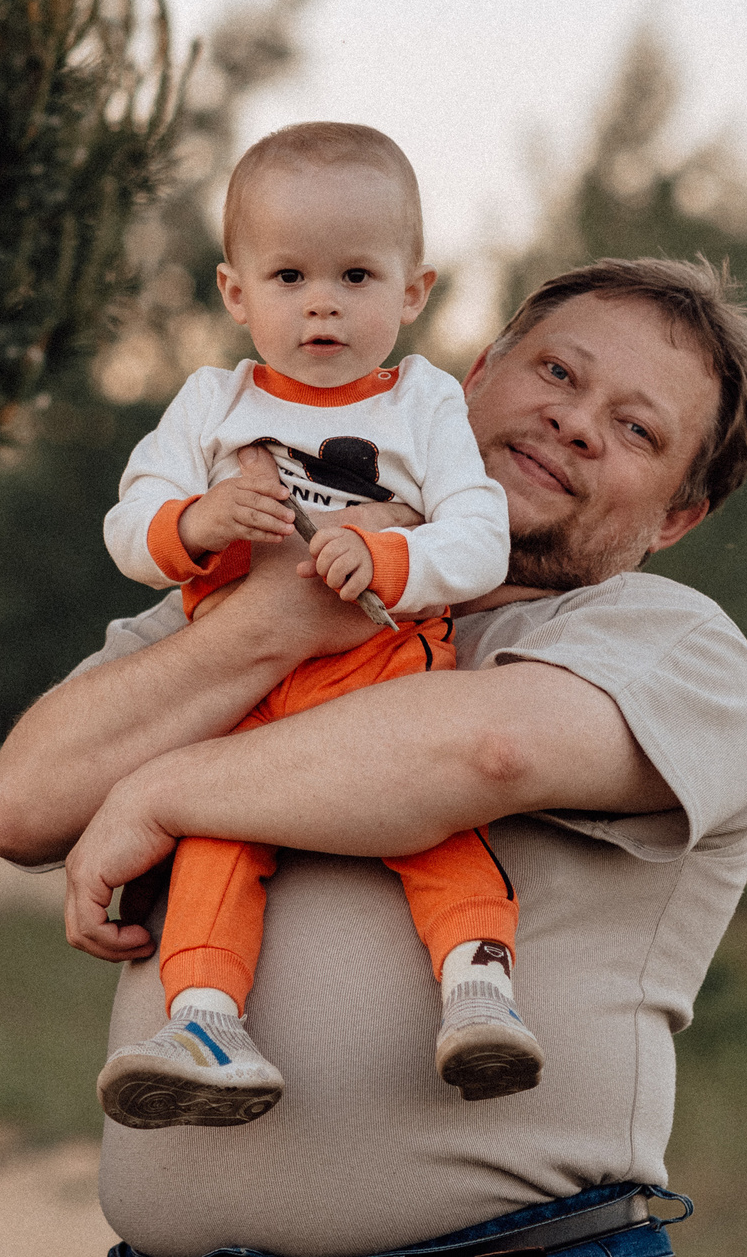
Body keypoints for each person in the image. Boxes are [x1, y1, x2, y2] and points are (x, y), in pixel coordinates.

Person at [0, 257, 747, 1257]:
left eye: (635, 428)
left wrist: (160, 789)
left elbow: (482, 748)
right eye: (559, 375)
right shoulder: (247, 602)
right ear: (469, 377)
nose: (576, 422)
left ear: (674, 516)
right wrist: (271, 623)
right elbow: (23, 804)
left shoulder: (662, 638)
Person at [96, 122, 526, 1128]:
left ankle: (478, 987)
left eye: (356, 275)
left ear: (413, 292)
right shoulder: (211, 403)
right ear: (236, 293)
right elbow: (129, 524)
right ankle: (204, 1020)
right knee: (212, 839)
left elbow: (479, 535)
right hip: (243, 690)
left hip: (382, 665)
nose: (321, 300)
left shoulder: (422, 403)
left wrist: (388, 556)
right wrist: (195, 522)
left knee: (433, 822)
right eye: (288, 275)